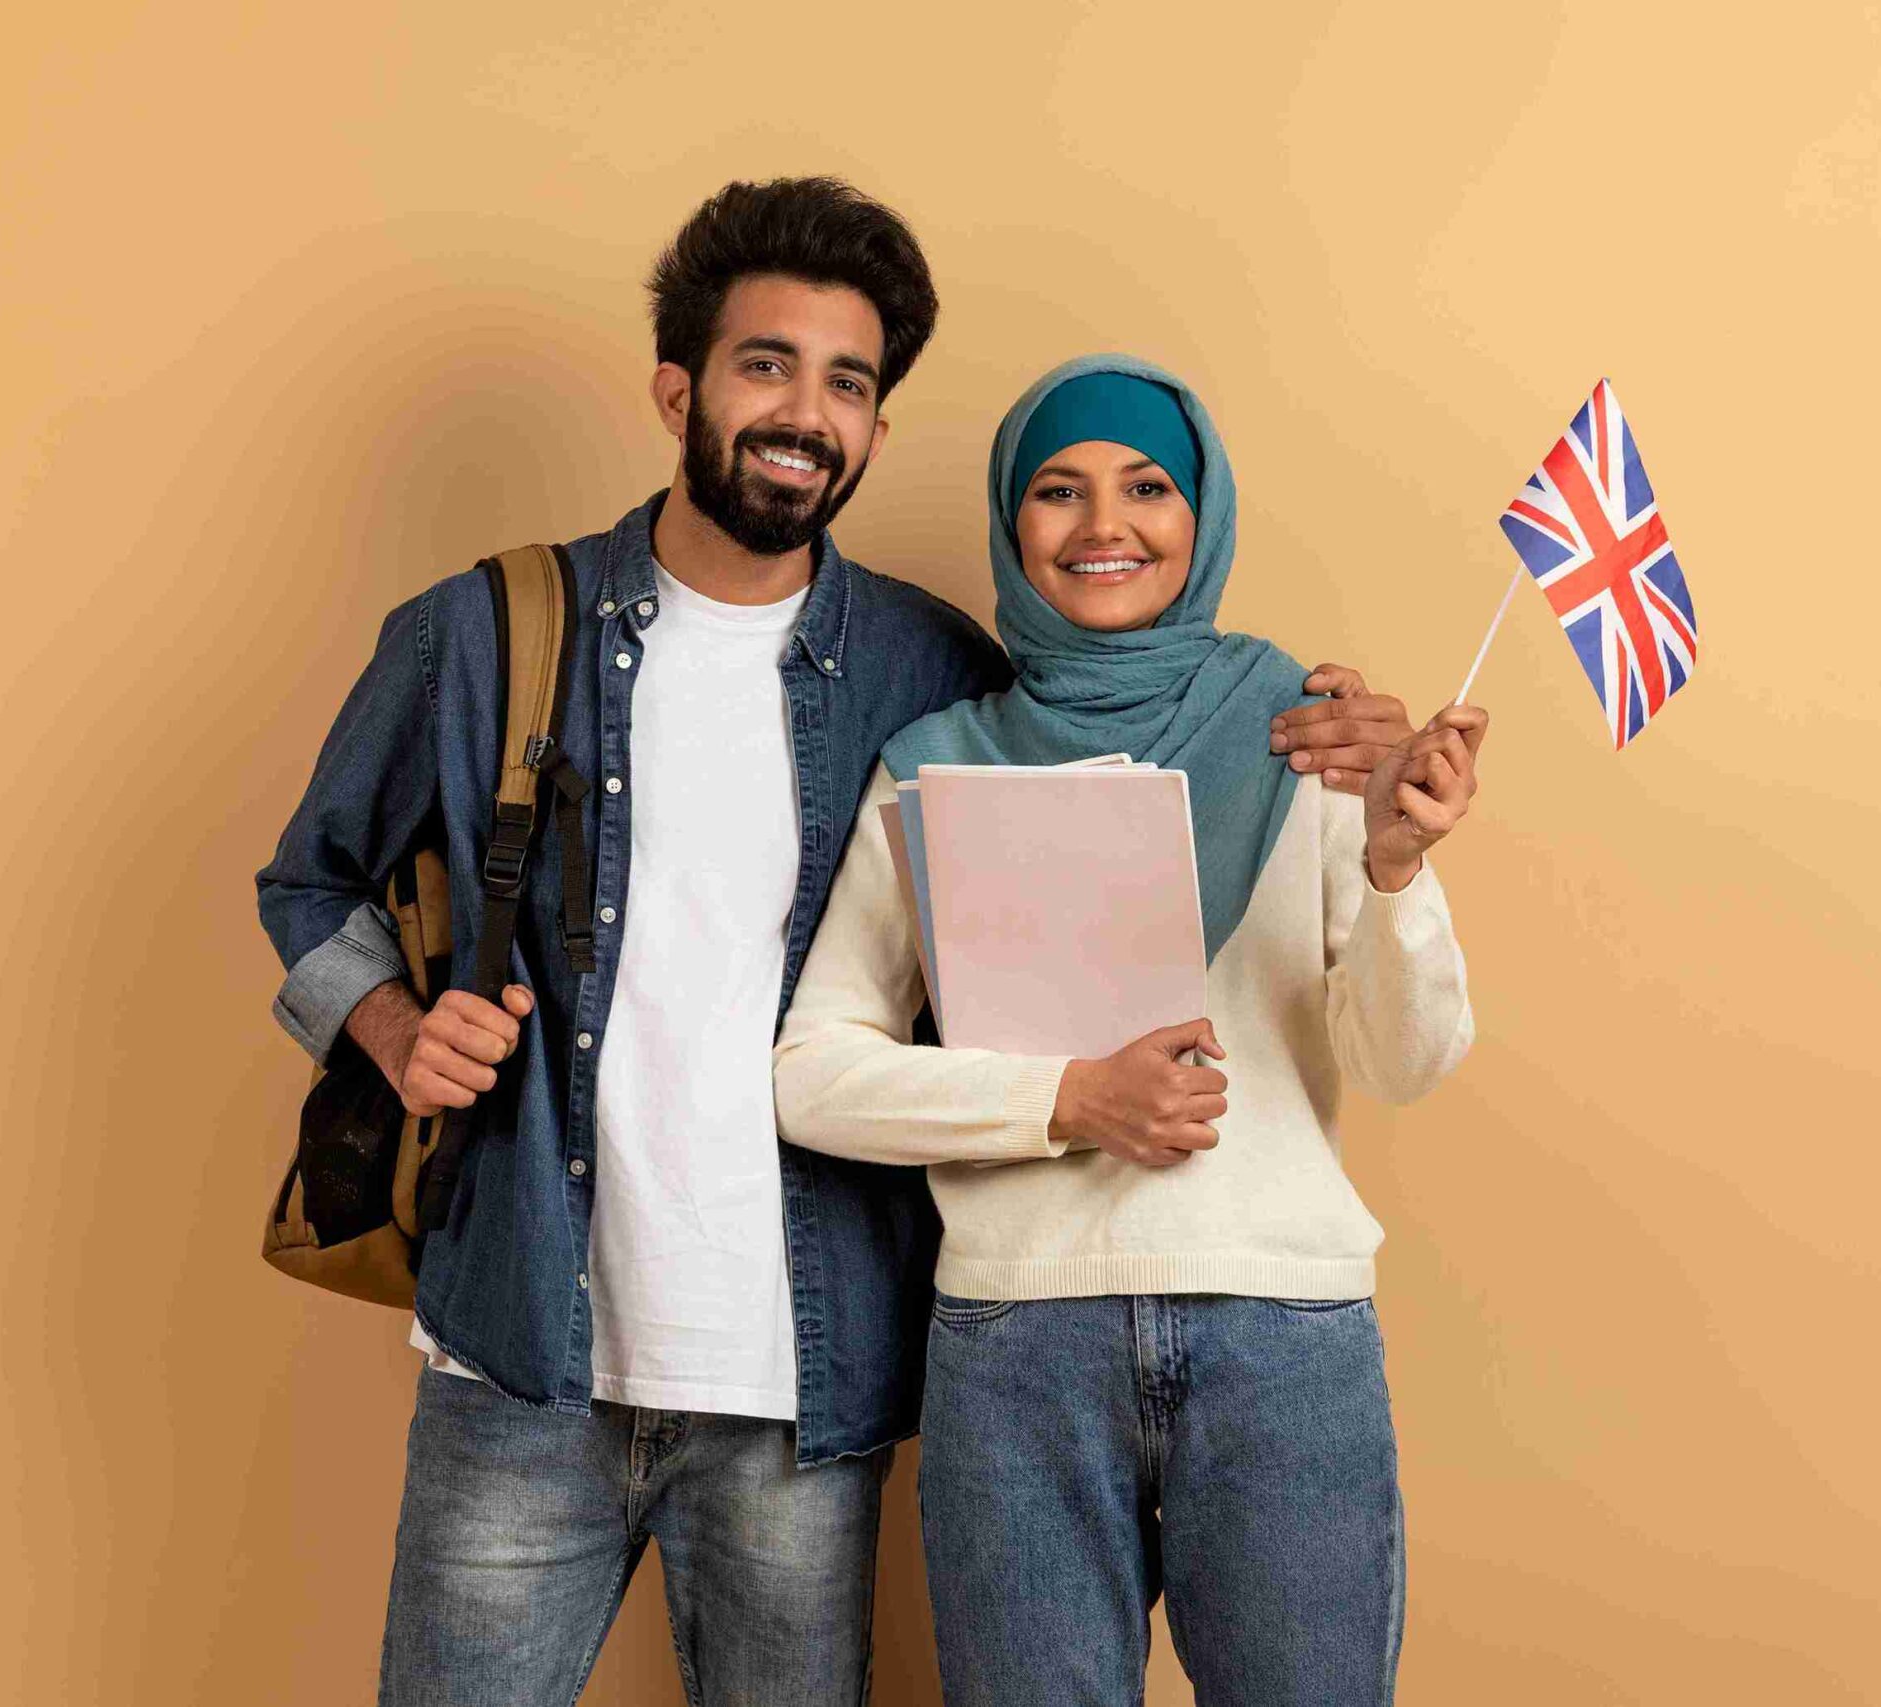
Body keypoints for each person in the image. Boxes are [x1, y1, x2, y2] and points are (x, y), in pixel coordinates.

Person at [255, 183, 1420, 1707]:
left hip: (807, 1381)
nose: (805, 413)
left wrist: (1346, 774)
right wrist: (398, 1031)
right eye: (766, 366)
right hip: (522, 1352)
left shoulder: (937, 677)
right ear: (677, 390)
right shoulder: (487, 629)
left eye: (849, 384)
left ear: (874, 428)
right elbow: (309, 885)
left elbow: (1121, 811)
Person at [772, 353, 1487, 1706]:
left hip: (1282, 1335)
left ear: (1202, 515)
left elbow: (1406, 1062)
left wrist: (1396, 865)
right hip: (1018, 1348)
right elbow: (812, 1073)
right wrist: (1065, 1101)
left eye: (1148, 487)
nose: (1105, 525)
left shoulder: (1316, 738)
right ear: (1011, 522)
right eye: (1059, 490)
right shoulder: (936, 766)